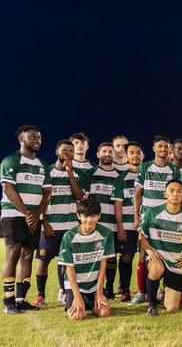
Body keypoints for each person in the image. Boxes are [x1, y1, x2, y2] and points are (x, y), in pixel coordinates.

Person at [1, 125, 52, 314]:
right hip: (13, 214)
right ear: (21, 139)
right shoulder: (11, 160)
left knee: (28, 255)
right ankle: (8, 300)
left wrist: (36, 215)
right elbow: (8, 189)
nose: (37, 140)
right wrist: (28, 213)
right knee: (13, 252)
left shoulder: (43, 165)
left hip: (33, 217)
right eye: (32, 137)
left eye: (39, 137)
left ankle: (21, 299)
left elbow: (47, 193)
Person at [33, 140, 86, 306]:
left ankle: (63, 290)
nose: (68, 154)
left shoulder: (77, 173)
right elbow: (40, 200)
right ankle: (41, 294)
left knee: (66, 261)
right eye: (64, 150)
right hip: (51, 225)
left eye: (71, 151)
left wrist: (70, 173)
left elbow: (79, 196)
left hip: (70, 227)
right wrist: (44, 222)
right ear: (57, 151)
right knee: (44, 260)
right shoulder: (47, 172)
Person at [130, 135, 182, 305]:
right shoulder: (144, 168)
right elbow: (137, 193)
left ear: (169, 150)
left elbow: (177, 193)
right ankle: (140, 292)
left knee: (168, 252)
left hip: (168, 219)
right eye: (160, 146)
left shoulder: (174, 170)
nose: (163, 149)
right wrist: (137, 216)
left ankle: (163, 289)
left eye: (166, 147)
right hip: (148, 218)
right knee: (144, 254)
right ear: (153, 148)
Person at [138, 179, 182, 316]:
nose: (175, 194)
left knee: (172, 308)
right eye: (172, 191)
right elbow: (142, 236)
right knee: (157, 267)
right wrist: (150, 251)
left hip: (176, 262)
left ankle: (162, 294)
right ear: (165, 194)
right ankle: (152, 306)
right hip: (158, 258)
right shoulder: (152, 213)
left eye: (179, 191)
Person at [59, 198, 113, 320]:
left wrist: (99, 292)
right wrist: (77, 296)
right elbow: (69, 268)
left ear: (99, 216)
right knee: (77, 316)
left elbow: (103, 265)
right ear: (79, 216)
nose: (89, 220)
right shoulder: (69, 236)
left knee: (104, 313)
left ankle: (91, 302)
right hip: (76, 286)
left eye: (93, 215)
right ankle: (72, 299)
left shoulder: (106, 234)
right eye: (86, 216)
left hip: (94, 286)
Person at [112, 141, 144, 302]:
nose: (135, 155)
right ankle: (125, 289)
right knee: (127, 256)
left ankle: (145, 289)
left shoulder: (147, 174)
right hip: (128, 224)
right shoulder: (121, 179)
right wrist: (120, 227)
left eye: (138, 152)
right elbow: (117, 206)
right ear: (127, 156)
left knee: (148, 257)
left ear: (143, 155)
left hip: (147, 224)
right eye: (132, 152)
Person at [88, 142, 120, 299]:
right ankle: (93, 288)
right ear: (98, 154)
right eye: (104, 151)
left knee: (111, 257)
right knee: (94, 255)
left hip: (112, 223)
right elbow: (87, 199)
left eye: (110, 151)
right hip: (95, 224)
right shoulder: (92, 173)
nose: (107, 154)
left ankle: (110, 287)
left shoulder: (119, 175)